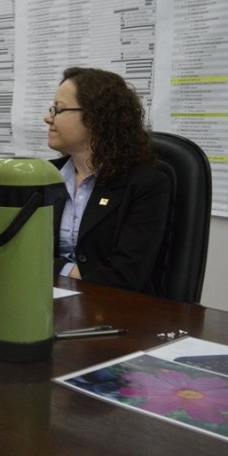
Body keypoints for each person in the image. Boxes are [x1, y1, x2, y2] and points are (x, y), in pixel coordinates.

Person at [45, 67, 171, 294]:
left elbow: (123, 276)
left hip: (113, 311)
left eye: (59, 110)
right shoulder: (44, 176)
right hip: (44, 302)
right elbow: (17, 252)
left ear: (94, 118)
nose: (48, 118)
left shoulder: (146, 184)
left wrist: (48, 267)